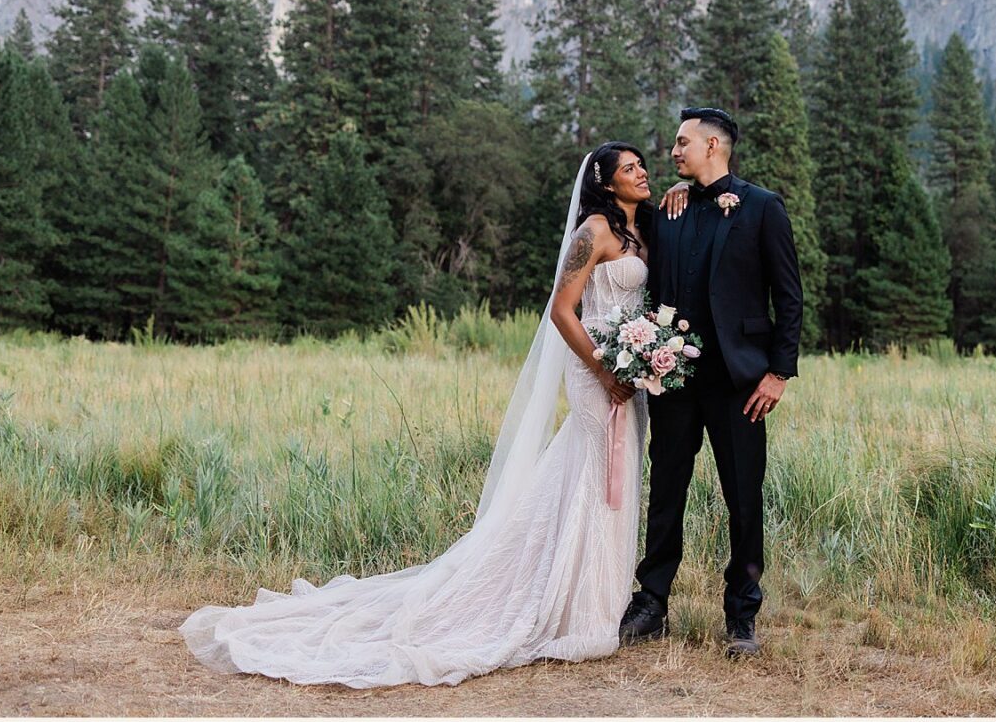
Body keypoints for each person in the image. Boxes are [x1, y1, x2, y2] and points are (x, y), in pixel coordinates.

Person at [180, 144, 663, 687]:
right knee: (595, 468)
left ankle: (594, 596)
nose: (643, 172)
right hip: (596, 368)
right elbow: (560, 309)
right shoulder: (593, 232)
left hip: (632, 369)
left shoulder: (642, 230)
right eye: (631, 168)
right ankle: (567, 606)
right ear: (604, 181)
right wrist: (601, 368)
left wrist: (638, 356)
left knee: (614, 474)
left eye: (643, 165)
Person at [620, 106, 805, 658]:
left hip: (740, 382)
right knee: (666, 493)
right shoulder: (667, 210)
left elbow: (789, 298)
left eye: (683, 143)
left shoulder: (763, 207)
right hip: (673, 378)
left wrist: (777, 372)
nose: (673, 151)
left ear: (714, 146)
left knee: (744, 499)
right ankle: (651, 603)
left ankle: (742, 615)